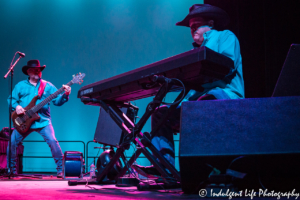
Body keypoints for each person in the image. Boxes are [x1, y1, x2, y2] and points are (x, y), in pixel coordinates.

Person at [134, 4, 245, 175]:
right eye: (190, 26)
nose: (192, 28)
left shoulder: (225, 36)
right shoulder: (195, 51)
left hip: (225, 96)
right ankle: (164, 166)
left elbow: (226, 66)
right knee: (160, 113)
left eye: (196, 24)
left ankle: (205, 170)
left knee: (204, 101)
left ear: (211, 23)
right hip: (197, 101)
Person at [7, 59, 71, 178]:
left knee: (52, 141)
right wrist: (17, 106)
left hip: (42, 121)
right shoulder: (20, 86)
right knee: (12, 142)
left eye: (39, 70)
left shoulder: (48, 86)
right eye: (35, 70)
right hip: (23, 121)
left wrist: (65, 94)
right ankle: (11, 170)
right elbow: (11, 100)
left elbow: (57, 101)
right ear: (28, 71)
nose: (38, 72)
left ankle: (61, 170)